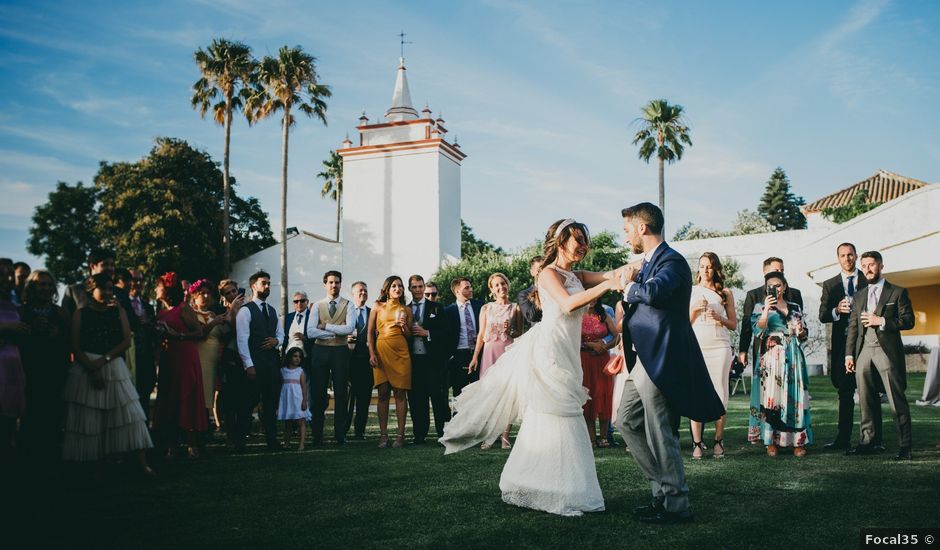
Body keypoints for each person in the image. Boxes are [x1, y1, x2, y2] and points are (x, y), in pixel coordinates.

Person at [442, 218, 625, 517]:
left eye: (584, 240)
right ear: (560, 241)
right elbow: (568, 304)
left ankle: (542, 482)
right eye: (577, 239)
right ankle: (557, 487)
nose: (583, 246)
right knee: (557, 411)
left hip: (568, 351)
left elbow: (612, 273)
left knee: (558, 412)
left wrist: (629, 270)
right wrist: (608, 284)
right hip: (550, 350)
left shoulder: (576, 274)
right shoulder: (548, 275)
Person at [617, 203, 724, 525]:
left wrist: (628, 286)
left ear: (642, 228)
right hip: (642, 359)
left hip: (662, 357)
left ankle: (676, 504)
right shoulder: (647, 263)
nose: (625, 238)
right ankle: (661, 490)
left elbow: (654, 292)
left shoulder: (673, 261)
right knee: (626, 422)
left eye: (626, 230)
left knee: (660, 431)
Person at [61, 273, 153, 475]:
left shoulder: (117, 312)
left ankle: (142, 463)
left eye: (111, 288)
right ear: (91, 290)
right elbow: (74, 345)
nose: (108, 292)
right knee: (89, 416)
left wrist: (103, 361)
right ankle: (92, 464)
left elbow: (126, 341)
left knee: (131, 414)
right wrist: (91, 367)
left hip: (113, 364)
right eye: (104, 288)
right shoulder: (81, 313)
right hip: (86, 365)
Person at [845, 251, 915, 460]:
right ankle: (867, 441)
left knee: (896, 399)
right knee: (865, 400)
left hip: (887, 351)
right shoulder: (859, 295)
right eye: (864, 265)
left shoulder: (897, 292)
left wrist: (881, 321)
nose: (867, 269)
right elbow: (853, 328)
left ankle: (905, 445)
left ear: (881, 266)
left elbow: (909, 321)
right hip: (864, 352)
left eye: (871, 265)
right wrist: (849, 355)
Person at [747, 271, 813, 457]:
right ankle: (771, 440)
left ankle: (797, 442)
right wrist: (767, 310)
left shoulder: (795, 306)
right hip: (771, 358)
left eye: (778, 285)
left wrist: (800, 331)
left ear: (784, 287)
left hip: (793, 355)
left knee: (795, 397)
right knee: (772, 398)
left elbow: (804, 335)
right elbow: (757, 330)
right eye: (771, 286)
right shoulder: (760, 306)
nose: (775, 288)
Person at [18, 269, 71, 463]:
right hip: (29, 372)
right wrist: (29, 330)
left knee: (54, 416)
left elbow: (72, 342)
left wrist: (58, 334)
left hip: (55, 372)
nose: (46, 288)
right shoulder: (21, 311)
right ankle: (29, 458)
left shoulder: (61, 313)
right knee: (30, 417)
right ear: (32, 287)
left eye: (49, 285)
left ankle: (52, 460)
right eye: (41, 284)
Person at [819, 243, 867, 450]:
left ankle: (872, 438)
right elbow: (822, 316)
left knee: (869, 392)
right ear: (837, 258)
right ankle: (843, 438)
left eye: (850, 255)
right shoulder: (830, 285)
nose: (847, 258)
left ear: (856, 256)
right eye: (842, 255)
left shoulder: (868, 279)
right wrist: (836, 310)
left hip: (866, 343)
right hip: (842, 346)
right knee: (845, 393)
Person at [688, 252, 737, 459]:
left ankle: (718, 440)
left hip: (720, 347)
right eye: (702, 266)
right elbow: (682, 324)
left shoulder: (725, 292)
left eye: (709, 266)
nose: (705, 270)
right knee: (696, 392)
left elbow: (733, 324)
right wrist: (695, 312)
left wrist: (720, 318)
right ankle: (697, 443)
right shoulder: (690, 291)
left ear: (715, 268)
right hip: (697, 346)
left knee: (719, 392)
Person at [155, 272, 208, 459]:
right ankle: (172, 444)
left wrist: (178, 335)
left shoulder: (183, 308)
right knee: (170, 398)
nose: (155, 289)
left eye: (158, 286)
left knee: (187, 396)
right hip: (168, 358)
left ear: (167, 288)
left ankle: (192, 444)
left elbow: (199, 332)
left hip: (185, 356)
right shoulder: (160, 311)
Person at [468, 273, 523, 449]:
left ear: (508, 284)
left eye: (503, 283)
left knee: (508, 395)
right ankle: (490, 435)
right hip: (489, 354)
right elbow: (481, 336)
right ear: (492, 290)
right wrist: (475, 357)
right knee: (490, 394)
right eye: (497, 285)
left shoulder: (516, 308)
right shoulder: (486, 309)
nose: (501, 288)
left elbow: (519, 334)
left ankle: (505, 436)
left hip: (508, 353)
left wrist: (511, 330)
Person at [303, 271, 356, 446]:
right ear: (325, 284)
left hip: (341, 352)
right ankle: (317, 434)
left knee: (341, 393)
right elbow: (310, 332)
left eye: (337, 282)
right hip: (320, 352)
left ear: (341, 284)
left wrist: (325, 326)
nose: (334, 285)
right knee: (318, 393)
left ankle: (340, 434)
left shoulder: (348, 305)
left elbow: (349, 329)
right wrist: (334, 332)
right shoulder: (317, 305)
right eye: (331, 282)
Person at [234, 270, 284, 451]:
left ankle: (272, 441)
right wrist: (249, 365)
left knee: (270, 404)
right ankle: (240, 443)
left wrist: (276, 341)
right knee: (247, 404)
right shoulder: (245, 311)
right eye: (264, 283)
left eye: (269, 283)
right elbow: (242, 339)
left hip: (271, 364)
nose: (267, 286)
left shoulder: (272, 310)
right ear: (253, 286)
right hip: (254, 364)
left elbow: (281, 334)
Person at [367, 275, 413, 449]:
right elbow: (370, 332)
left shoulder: (406, 310)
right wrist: (372, 353)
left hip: (401, 353)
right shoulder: (377, 306)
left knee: (400, 394)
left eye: (400, 286)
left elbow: (409, 336)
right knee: (383, 393)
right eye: (394, 286)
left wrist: (404, 327)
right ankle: (383, 435)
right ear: (387, 289)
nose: (397, 289)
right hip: (380, 351)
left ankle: (400, 436)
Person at [738, 257, 803, 371]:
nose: (780, 273)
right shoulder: (753, 295)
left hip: (790, 350)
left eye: (782, 271)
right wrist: (743, 350)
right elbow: (747, 326)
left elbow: (799, 322)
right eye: (776, 271)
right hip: (764, 348)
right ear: (765, 272)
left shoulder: (795, 294)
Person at [406, 274, 447, 444]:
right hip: (412, 360)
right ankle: (419, 435)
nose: (417, 290)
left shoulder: (436, 307)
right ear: (410, 289)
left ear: (424, 287)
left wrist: (427, 333)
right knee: (416, 399)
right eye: (414, 287)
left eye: (420, 286)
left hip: (432, 360)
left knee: (438, 398)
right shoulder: (404, 308)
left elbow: (446, 332)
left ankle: (443, 434)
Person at [579, 298, 619, 448]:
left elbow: (617, 336)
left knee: (603, 394)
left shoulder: (604, 315)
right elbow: (571, 337)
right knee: (588, 396)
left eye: (594, 297)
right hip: (583, 359)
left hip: (602, 359)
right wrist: (589, 344)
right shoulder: (578, 315)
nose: (591, 300)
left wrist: (604, 346)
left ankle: (604, 438)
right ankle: (591, 439)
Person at [190, 279, 229, 429]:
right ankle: (199, 429)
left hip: (213, 360)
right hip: (199, 358)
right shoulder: (192, 313)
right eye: (202, 293)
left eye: (208, 293)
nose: (206, 296)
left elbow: (224, 333)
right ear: (194, 295)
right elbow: (199, 335)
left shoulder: (212, 313)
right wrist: (213, 323)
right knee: (200, 395)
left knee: (210, 395)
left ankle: (206, 427)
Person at [0, 262, 27, 457]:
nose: (8, 279)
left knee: (8, 418)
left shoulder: (11, 304)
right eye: (2, 274)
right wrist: (6, 328)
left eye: (10, 275)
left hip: (12, 365)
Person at [216, 279, 246, 446]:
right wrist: (233, 310)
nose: (232, 294)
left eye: (233, 291)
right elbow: (235, 331)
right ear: (223, 297)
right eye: (227, 293)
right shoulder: (221, 314)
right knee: (229, 402)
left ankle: (241, 436)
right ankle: (231, 437)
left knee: (244, 401)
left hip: (246, 360)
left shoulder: (248, 309)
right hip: (229, 361)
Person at [443, 278, 484, 398]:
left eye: (470, 287)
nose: (471, 289)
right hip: (459, 356)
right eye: (466, 288)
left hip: (479, 355)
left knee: (480, 394)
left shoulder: (480, 306)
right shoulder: (449, 311)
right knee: (460, 395)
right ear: (457, 291)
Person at [128, 269, 158, 421]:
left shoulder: (148, 307)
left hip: (145, 361)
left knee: (144, 401)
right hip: (127, 360)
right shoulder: (121, 303)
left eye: (140, 280)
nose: (138, 283)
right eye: (134, 279)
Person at [345, 282, 372, 439]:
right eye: (360, 290)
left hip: (367, 361)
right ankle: (343, 428)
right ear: (353, 294)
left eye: (365, 291)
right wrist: (344, 337)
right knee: (347, 397)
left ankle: (359, 431)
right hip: (348, 360)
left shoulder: (372, 312)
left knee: (364, 398)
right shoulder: (346, 312)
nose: (363, 293)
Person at [278, 343, 310, 451]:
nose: (297, 359)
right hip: (287, 399)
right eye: (295, 356)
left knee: (300, 421)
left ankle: (301, 444)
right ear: (290, 356)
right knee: (288, 423)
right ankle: (286, 442)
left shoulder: (300, 371)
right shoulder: (282, 370)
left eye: (300, 357)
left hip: (298, 399)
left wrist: (304, 400)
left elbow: (304, 387)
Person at [516, 256, 543, 330]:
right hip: (538, 334)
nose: (541, 272)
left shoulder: (555, 289)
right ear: (532, 272)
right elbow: (532, 317)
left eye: (544, 269)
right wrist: (539, 290)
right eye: (539, 269)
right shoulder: (523, 294)